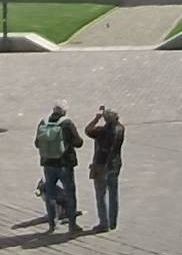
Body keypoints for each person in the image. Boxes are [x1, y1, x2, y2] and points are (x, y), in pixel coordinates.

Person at [35, 100, 84, 234]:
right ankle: (72, 225)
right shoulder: (66, 123)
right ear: (65, 111)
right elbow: (78, 142)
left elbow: (37, 143)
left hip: (48, 164)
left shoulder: (44, 122)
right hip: (64, 164)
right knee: (70, 194)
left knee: (50, 195)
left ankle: (52, 224)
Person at [84, 107, 125, 232]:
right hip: (115, 164)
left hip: (102, 165)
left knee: (101, 195)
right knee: (113, 193)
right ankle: (113, 221)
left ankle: (104, 223)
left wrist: (97, 118)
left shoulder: (101, 132)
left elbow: (88, 130)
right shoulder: (121, 129)